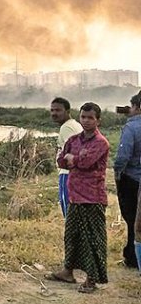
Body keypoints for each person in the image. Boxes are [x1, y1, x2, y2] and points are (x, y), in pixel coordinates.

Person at [48, 102, 110, 293]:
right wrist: (72, 159)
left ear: (98, 120)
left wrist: (72, 159)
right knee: (72, 236)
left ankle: (92, 279)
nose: (86, 121)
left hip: (92, 197)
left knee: (92, 239)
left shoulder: (101, 142)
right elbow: (61, 160)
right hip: (75, 195)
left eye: (90, 118)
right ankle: (68, 272)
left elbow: (85, 162)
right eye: (83, 117)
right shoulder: (74, 140)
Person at [114, 90, 141, 268]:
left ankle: (132, 257)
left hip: (133, 179)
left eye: (131, 106)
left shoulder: (132, 126)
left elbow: (123, 156)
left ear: (138, 107)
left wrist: (117, 173)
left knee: (132, 219)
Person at [50, 97, 83, 217]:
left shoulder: (67, 128)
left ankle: (71, 236)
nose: (54, 113)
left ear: (67, 111)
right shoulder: (74, 125)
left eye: (58, 110)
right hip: (75, 175)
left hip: (67, 174)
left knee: (68, 214)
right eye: (52, 110)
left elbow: (72, 153)